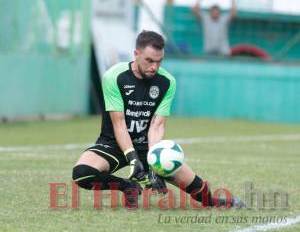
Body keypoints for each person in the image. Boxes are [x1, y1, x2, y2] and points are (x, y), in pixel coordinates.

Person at [72, 30, 244, 209]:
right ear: (136, 54)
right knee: (82, 174)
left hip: (148, 146)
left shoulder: (167, 82)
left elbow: (157, 125)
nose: (154, 67)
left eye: (159, 61)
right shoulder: (114, 77)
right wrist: (133, 159)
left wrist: (155, 162)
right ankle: (128, 187)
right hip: (113, 143)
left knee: (201, 192)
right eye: (149, 60)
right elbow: (119, 123)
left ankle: (216, 202)